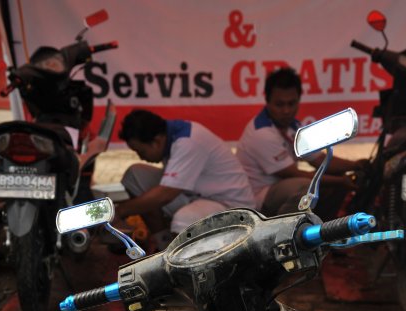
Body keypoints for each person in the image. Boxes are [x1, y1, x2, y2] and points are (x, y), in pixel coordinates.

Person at [236, 67, 367, 220]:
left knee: (332, 179)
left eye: (291, 103)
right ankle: (285, 233)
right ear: (267, 101)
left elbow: (320, 159)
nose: (286, 110)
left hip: (281, 188)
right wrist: (341, 181)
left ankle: (325, 230)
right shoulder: (261, 133)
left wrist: (356, 165)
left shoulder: (293, 126)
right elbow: (294, 173)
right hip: (256, 199)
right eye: (279, 104)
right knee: (305, 188)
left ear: (299, 100)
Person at [115, 110, 256, 249]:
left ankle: (177, 260)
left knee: (183, 219)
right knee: (134, 175)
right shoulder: (167, 134)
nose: (141, 157)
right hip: (196, 195)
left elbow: (165, 194)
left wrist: (120, 211)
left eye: (141, 151)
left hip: (230, 207)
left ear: (156, 141)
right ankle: (163, 244)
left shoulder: (188, 141)